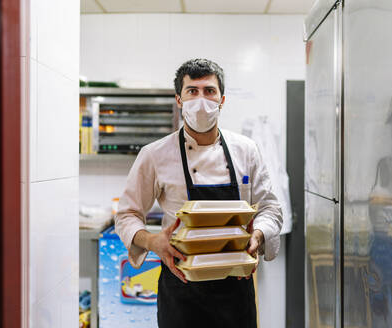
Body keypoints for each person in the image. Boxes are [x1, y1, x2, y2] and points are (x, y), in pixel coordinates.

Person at [115, 58, 283, 328]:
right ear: (179, 100)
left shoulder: (246, 149)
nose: (201, 99)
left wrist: (259, 234)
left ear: (222, 99)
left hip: (235, 289)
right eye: (192, 91)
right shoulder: (155, 155)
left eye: (209, 91)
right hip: (181, 290)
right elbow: (127, 215)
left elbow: (270, 208)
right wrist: (153, 241)